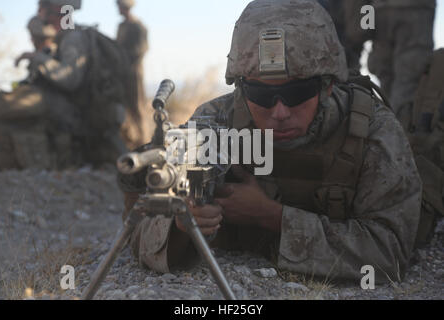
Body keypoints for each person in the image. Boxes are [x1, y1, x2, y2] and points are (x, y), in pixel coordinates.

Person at [118, 0, 423, 284]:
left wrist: (273, 217)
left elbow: (391, 252)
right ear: (240, 88)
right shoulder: (213, 123)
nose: (279, 112)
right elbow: (137, 232)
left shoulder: (371, 130)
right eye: (261, 95)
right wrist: (182, 224)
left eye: (296, 94)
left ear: (328, 86)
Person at [0, 0, 128, 170]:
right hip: (68, 108)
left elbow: (70, 79)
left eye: (42, 6)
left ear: (56, 9)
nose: (38, 11)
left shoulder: (73, 38)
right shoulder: (66, 36)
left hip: (73, 112)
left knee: (1, 105)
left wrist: (37, 58)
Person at [368, 0, 436, 128]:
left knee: (387, 78)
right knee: (408, 81)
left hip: (379, 10)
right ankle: (396, 137)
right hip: (415, 9)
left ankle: (387, 134)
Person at [116, 0, 149, 149]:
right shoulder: (122, 26)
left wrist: (125, 57)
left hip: (134, 71)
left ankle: (144, 141)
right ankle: (130, 140)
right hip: (121, 71)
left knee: (137, 107)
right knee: (124, 107)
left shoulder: (138, 26)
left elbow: (141, 49)